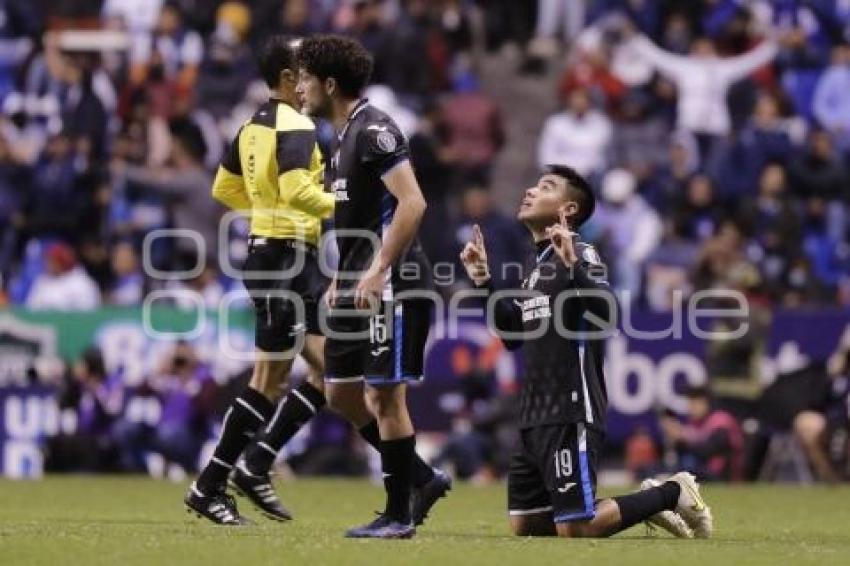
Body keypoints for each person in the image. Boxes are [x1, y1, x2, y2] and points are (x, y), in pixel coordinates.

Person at [459, 164, 713, 539]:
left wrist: (575, 266)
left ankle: (672, 492)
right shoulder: (535, 264)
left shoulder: (579, 251)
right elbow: (512, 334)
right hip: (533, 411)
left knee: (577, 526)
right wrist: (483, 280)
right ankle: (637, 504)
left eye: (545, 187)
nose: (531, 190)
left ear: (569, 210)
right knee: (526, 524)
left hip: (570, 407)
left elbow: (608, 312)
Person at [296, 34, 449, 539]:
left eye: (304, 78)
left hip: (394, 283)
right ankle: (421, 479)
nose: (298, 88)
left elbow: (413, 203)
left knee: (385, 397)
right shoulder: (340, 137)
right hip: (359, 281)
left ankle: (399, 514)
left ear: (330, 84)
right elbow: (362, 220)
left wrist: (379, 267)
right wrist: (344, 275)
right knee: (340, 392)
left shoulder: (375, 130)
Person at [184, 35, 336, 525]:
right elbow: (295, 187)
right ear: (288, 79)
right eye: (305, 74)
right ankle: (211, 485)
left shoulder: (252, 126)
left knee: (329, 367)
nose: (310, 84)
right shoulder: (296, 123)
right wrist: (342, 203)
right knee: (267, 380)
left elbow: (223, 187)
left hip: (284, 256)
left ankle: (256, 462)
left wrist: (266, 212)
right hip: (284, 261)